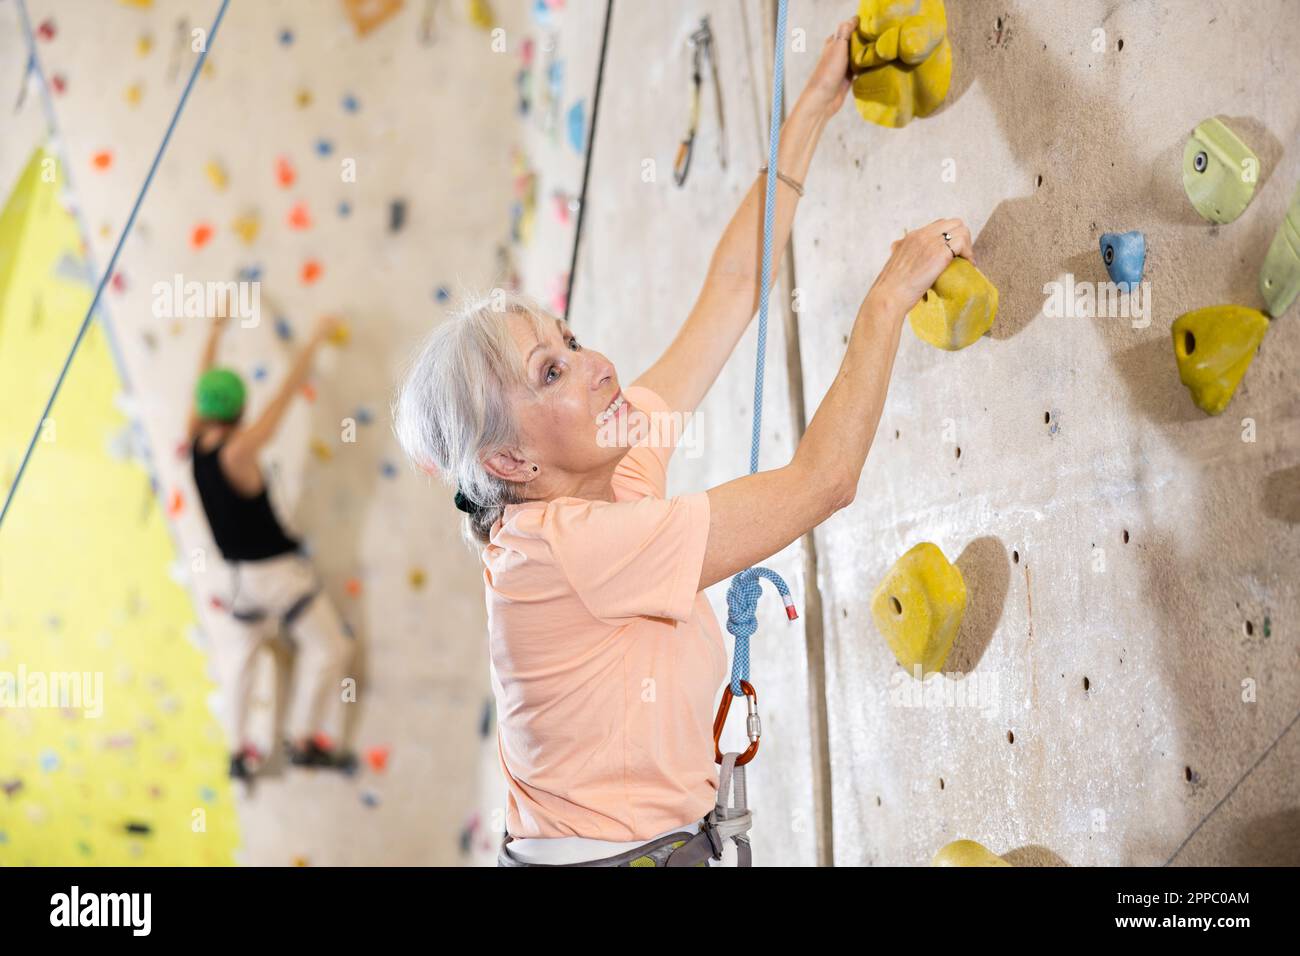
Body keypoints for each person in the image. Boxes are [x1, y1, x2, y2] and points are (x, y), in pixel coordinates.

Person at [394, 15, 975, 866]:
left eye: (571, 341)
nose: (594, 366)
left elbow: (734, 290)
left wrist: (812, 107)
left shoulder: (609, 473)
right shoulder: (567, 548)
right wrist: (887, 299)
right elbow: (823, 481)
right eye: (550, 375)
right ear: (509, 463)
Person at [189, 302, 355, 780]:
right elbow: (283, 398)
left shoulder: (196, 441)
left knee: (241, 662)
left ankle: (239, 751)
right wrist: (315, 341)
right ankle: (303, 738)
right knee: (330, 650)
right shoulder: (239, 451)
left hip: (239, 579)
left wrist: (215, 331)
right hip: (278, 575)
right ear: (239, 408)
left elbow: (202, 385)